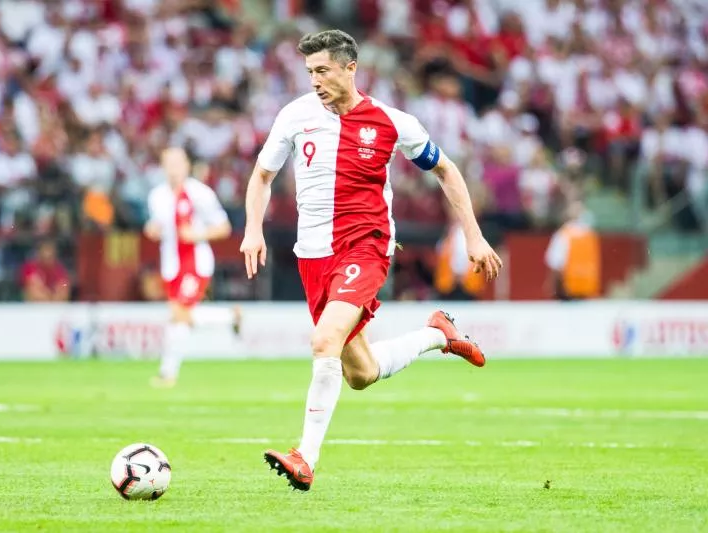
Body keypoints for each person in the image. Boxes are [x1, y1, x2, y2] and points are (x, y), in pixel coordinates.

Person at [240, 30, 503, 492]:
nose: (315, 81)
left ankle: (305, 457)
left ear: (350, 68)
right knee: (359, 373)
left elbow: (446, 170)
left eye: (322, 70)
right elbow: (262, 177)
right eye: (309, 73)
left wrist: (474, 237)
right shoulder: (295, 116)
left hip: (366, 246)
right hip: (313, 256)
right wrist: (253, 229)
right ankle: (437, 334)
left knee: (323, 341)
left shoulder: (391, 121)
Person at [145, 147, 241, 388]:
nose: (173, 168)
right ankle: (229, 317)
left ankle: (168, 374)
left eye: (177, 163)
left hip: (195, 263)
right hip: (170, 265)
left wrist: (197, 235)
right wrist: (152, 229)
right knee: (179, 319)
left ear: (187, 165)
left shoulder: (201, 194)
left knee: (179, 315)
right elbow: (157, 225)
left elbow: (223, 227)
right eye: (168, 163)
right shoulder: (157, 196)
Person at [544, 200, 601, 301]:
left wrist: (552, 288)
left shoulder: (563, 235)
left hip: (568, 291)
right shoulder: (590, 236)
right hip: (588, 291)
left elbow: (556, 264)